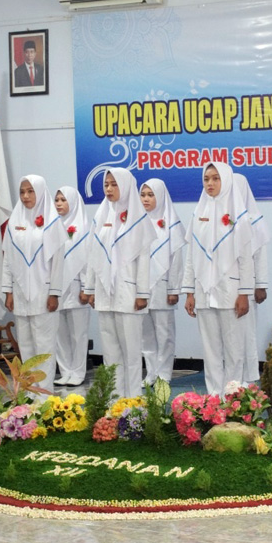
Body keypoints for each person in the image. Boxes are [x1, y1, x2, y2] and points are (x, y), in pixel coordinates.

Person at [182, 161, 255, 396]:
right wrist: (189, 292)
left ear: (226, 180)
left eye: (215, 178)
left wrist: (244, 293)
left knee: (234, 351)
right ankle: (214, 398)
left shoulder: (239, 215)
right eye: (206, 179)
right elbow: (191, 256)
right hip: (204, 292)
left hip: (231, 293)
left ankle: (233, 399)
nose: (210, 183)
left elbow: (246, 258)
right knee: (211, 350)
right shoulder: (198, 212)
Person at [84, 168, 155, 398]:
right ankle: (114, 399)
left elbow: (144, 259)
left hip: (129, 293)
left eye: (114, 184)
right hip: (105, 293)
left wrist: (142, 293)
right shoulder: (101, 216)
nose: (109, 189)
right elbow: (94, 255)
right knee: (110, 352)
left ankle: (133, 399)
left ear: (124, 186)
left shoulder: (139, 219)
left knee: (131, 352)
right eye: (106, 185)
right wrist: (91, 289)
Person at [1, 175, 65, 394]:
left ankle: (45, 393)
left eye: (30, 191)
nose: (26, 196)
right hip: (19, 293)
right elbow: (7, 258)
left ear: (40, 192)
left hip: (44, 291)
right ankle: (29, 392)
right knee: (26, 346)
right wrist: (8, 291)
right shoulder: (14, 220)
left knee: (44, 346)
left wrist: (54, 293)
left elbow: (58, 262)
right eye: (22, 191)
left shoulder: (53, 221)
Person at [139, 178, 185, 385]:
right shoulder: (136, 222)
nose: (146, 199)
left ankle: (164, 373)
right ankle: (151, 372)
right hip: (141, 287)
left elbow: (176, 259)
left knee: (164, 332)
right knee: (145, 334)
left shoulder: (172, 224)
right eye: (143, 195)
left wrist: (174, 288)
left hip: (163, 286)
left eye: (150, 195)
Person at [52, 186, 90, 387]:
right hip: (57, 288)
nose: (58, 203)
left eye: (63, 200)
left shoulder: (83, 227)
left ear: (73, 202)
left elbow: (86, 261)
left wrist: (86, 287)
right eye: (56, 200)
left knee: (78, 333)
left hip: (76, 287)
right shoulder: (52, 226)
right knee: (60, 333)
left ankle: (78, 371)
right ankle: (65, 370)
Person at [233, 173, 269, 383]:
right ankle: (232, 378)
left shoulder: (254, 218)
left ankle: (250, 376)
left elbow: (260, 254)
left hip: (248, 287)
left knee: (247, 333)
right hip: (224, 287)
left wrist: (260, 285)